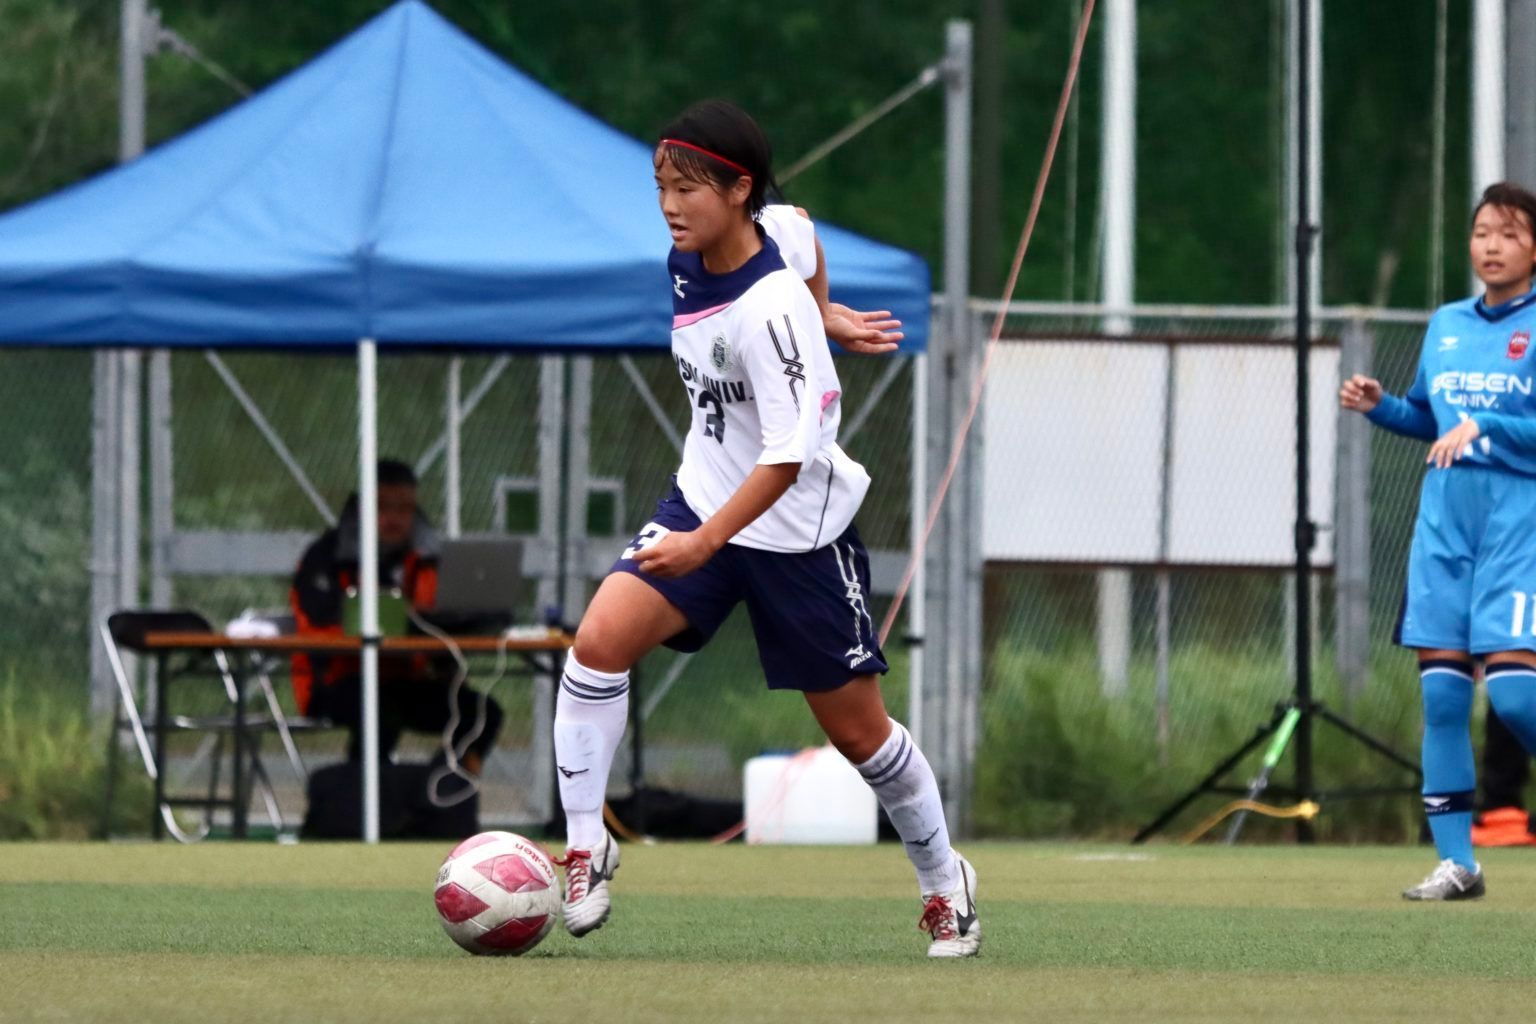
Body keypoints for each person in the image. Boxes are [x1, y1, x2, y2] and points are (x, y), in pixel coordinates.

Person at [550, 99, 979, 957]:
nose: (670, 206)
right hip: (703, 499)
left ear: (738, 189)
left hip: (797, 537)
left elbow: (786, 457)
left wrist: (705, 544)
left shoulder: (769, 309)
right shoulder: (725, 246)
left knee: (859, 736)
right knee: (596, 643)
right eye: (661, 187)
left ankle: (945, 882)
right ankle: (586, 846)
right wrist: (830, 312)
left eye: (688, 189)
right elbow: (805, 230)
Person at [1341, 181, 1536, 899]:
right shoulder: (1447, 323)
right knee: (1445, 700)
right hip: (1444, 527)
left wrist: (1489, 426)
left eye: (1510, 233)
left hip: (1519, 523)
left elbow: (1495, 427)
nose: (1492, 245)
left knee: (1515, 698)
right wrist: (1382, 407)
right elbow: (1432, 418)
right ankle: (1459, 864)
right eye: (1483, 232)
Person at [290, 458, 503, 776]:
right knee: (379, 710)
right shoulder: (326, 556)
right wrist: (385, 625)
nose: (394, 518)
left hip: (408, 677)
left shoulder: (427, 557)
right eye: (383, 507)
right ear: (363, 508)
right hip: (337, 679)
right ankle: (360, 795)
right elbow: (317, 625)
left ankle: (442, 789)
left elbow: (437, 621)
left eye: (404, 509)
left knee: (483, 714)